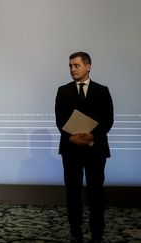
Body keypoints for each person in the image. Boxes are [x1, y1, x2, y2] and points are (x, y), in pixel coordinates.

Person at [55, 52, 114, 243]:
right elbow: (60, 120)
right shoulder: (63, 91)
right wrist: (71, 138)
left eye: (76, 65)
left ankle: (97, 231)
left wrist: (92, 135)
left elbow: (108, 119)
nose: (72, 69)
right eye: (70, 66)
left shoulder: (102, 90)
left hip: (95, 149)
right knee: (73, 192)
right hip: (71, 150)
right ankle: (76, 231)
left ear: (88, 67)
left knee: (96, 192)